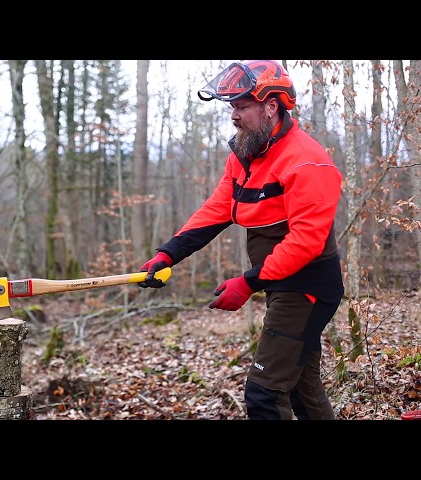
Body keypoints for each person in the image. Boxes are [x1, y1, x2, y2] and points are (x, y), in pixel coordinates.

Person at [138, 60, 344, 420]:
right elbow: (219, 207)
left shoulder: (307, 162)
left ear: (271, 105)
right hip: (283, 285)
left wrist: (248, 283)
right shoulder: (247, 154)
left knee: (264, 394)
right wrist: (168, 255)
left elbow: (306, 242)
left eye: (243, 106)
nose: (234, 115)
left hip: (307, 289)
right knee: (302, 389)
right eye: (232, 107)